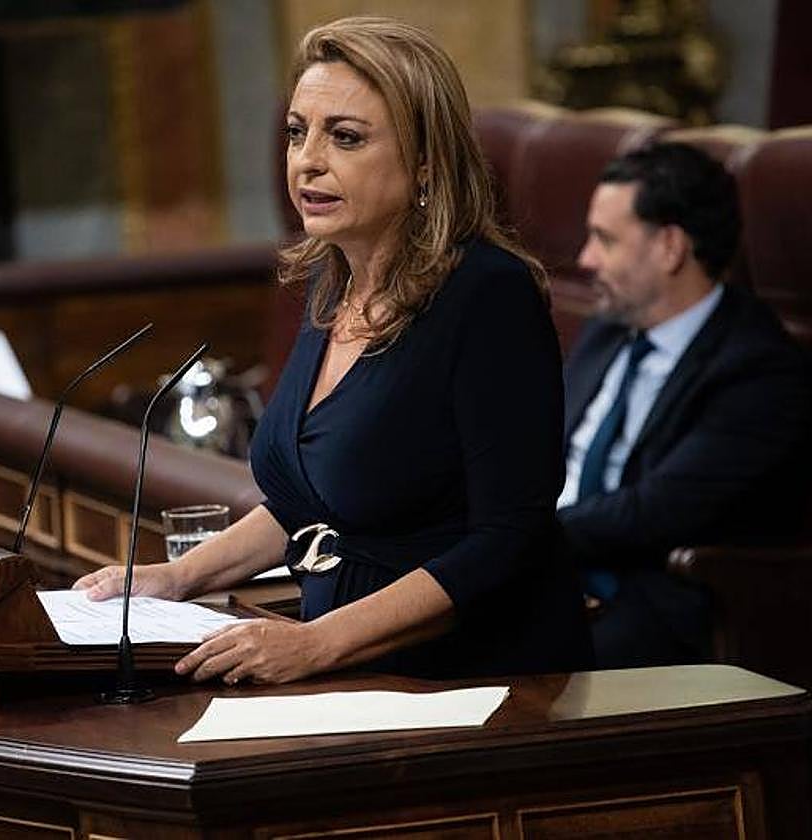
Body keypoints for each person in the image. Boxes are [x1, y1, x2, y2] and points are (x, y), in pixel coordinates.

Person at [75, 16, 592, 683]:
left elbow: (508, 538)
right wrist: (174, 579)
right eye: (297, 132)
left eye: (345, 137)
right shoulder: (334, 277)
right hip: (353, 672)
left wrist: (318, 644)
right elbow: (302, 503)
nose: (307, 160)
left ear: (427, 162)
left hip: (477, 682)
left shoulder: (488, 294)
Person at [558, 142, 811, 668]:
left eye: (605, 239)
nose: (585, 259)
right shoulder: (609, 328)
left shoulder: (758, 371)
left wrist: (517, 537)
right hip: (552, 568)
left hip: (645, 598)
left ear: (670, 247)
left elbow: (656, 511)